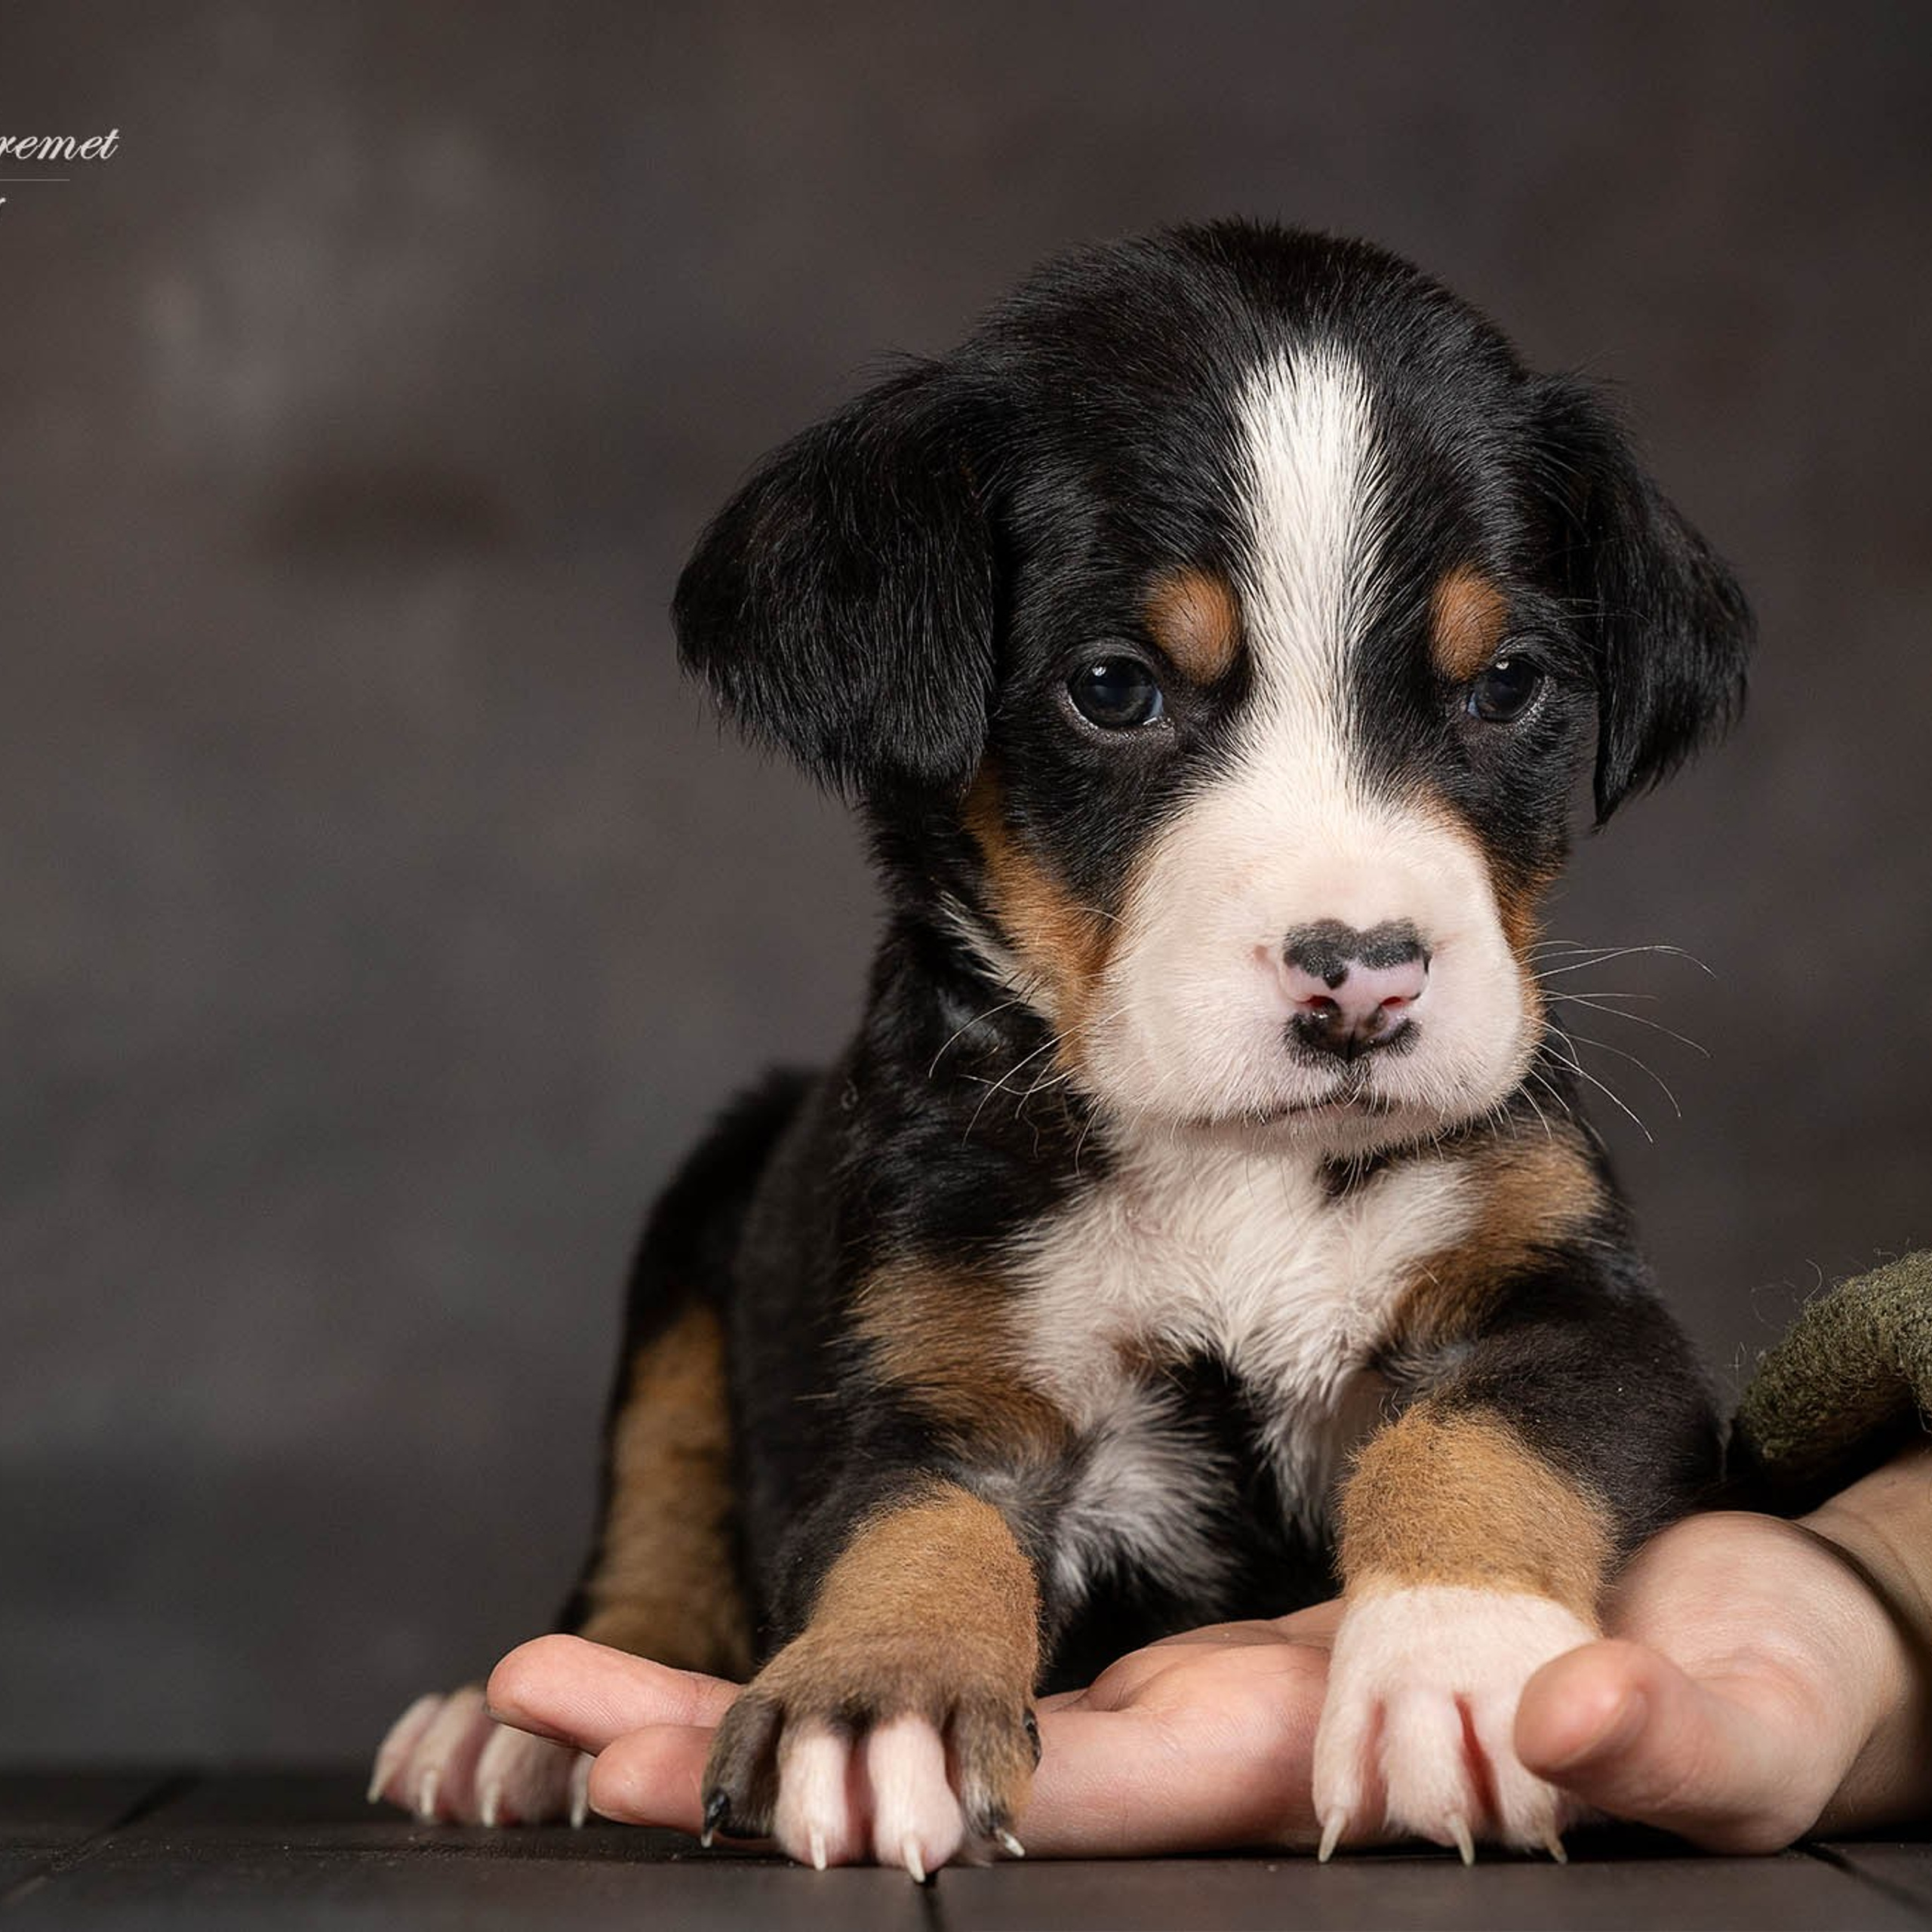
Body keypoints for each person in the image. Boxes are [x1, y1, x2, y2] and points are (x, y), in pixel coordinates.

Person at [485, 1258, 1932, 1856]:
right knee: (740, 1187)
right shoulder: (956, 1136)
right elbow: (923, 1460)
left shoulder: (1490, 1126)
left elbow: (1595, 1365)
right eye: (1120, 692)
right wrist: (1873, 1565)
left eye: (1495, 696)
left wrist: (1471, 1570)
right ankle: (642, 1620)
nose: (1360, 939)